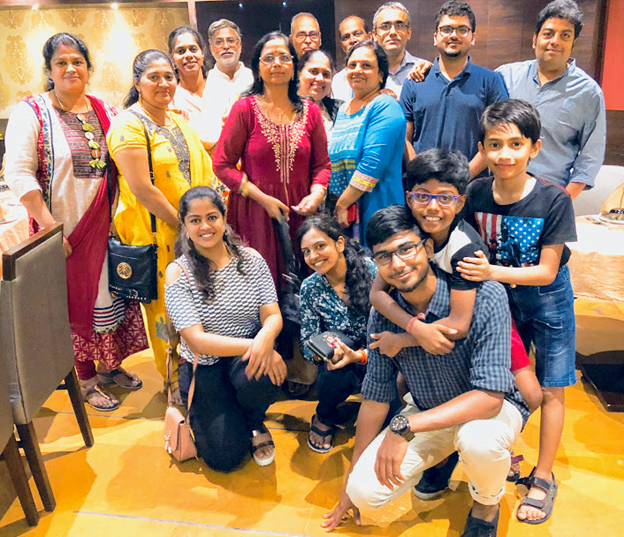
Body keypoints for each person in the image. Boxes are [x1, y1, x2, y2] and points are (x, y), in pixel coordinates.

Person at [322, 205, 530, 537]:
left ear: (428, 247)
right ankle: (443, 458)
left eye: (406, 248)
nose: (397, 264)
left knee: (478, 443)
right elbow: (375, 399)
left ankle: (486, 505)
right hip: (428, 408)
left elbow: (490, 398)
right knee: (364, 491)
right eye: (384, 256)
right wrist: (349, 482)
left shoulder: (484, 295)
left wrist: (403, 426)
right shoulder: (383, 314)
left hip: (489, 410)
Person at [370, 149, 543, 498]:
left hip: (483, 317)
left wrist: (404, 338)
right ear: (410, 197)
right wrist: (415, 328)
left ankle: (497, 455)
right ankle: (443, 454)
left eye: (445, 197)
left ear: (459, 201)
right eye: (423, 196)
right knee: (415, 385)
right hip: (430, 316)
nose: (432, 207)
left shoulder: (464, 249)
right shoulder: (408, 227)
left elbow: (460, 325)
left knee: (530, 394)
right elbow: (377, 294)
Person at [4, 33, 149, 412]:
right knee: (75, 304)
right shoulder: (32, 112)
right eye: (61, 63)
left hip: (107, 227)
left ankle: (108, 366)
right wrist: (50, 228)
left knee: (111, 295)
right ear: (50, 70)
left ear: (88, 67)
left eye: (77, 61)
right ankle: (84, 378)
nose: (70, 68)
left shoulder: (105, 110)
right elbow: (18, 173)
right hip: (62, 231)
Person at [458, 99, 577, 525]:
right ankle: (504, 450)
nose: (505, 154)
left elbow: (547, 271)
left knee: (552, 387)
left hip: (548, 300)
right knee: (501, 380)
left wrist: (491, 271)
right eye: (494, 144)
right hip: (499, 302)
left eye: (515, 144)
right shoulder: (475, 193)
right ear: (482, 149)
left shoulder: (553, 199)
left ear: (534, 147)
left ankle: (542, 475)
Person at [107, 49, 217, 405]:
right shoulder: (128, 124)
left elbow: (203, 168)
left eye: (169, 76)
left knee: (200, 304)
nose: (164, 83)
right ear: (137, 82)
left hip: (197, 233)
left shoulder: (177, 121)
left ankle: (203, 372)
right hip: (160, 237)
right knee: (167, 312)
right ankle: (173, 384)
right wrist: (186, 225)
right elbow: (142, 188)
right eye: (153, 77)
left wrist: (209, 216)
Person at [164, 186, 286, 471]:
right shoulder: (178, 272)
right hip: (203, 365)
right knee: (224, 459)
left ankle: (253, 420)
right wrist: (260, 345)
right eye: (195, 220)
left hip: (243, 360)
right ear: (184, 224)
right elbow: (197, 341)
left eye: (211, 217)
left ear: (224, 217)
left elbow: (273, 315)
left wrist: (266, 337)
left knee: (263, 377)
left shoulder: (251, 259)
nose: (205, 227)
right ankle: (230, 414)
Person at [212, 31, 331, 288]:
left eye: (283, 57)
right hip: (256, 212)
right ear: (258, 67)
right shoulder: (244, 109)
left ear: (294, 66)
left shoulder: (311, 111)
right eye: (269, 58)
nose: (276, 63)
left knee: (305, 286)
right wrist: (262, 199)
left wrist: (316, 195)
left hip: (302, 211)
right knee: (260, 287)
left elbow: (322, 165)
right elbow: (221, 164)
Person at [495, 0, 605, 198]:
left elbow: (590, 158)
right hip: (497, 194)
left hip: (548, 198)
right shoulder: (505, 76)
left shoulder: (588, 93)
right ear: (535, 39)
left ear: (573, 44)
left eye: (565, 36)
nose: (555, 41)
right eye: (548, 33)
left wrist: (561, 202)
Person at [400, 1, 508, 177]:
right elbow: (404, 138)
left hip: (473, 185)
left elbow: (498, 136)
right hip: (423, 187)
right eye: (446, 29)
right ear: (435, 37)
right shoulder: (415, 81)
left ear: (473, 37)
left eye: (462, 29)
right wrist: (419, 176)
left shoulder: (491, 81)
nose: (454, 35)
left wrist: (464, 178)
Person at [298, 215, 376, 453]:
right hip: (341, 359)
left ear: (339, 244)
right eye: (306, 252)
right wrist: (324, 354)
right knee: (332, 372)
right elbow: (307, 341)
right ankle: (324, 415)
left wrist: (360, 355)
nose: (314, 256)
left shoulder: (372, 271)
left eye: (320, 246)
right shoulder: (310, 287)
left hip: (380, 352)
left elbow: (392, 329)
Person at [329, 41, 406, 248]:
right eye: (352, 65)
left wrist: (342, 204)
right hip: (346, 215)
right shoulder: (343, 109)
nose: (357, 70)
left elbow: (372, 164)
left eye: (366, 65)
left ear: (381, 75)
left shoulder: (386, 106)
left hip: (377, 209)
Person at [194, 19, 254, 152]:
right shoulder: (204, 83)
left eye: (231, 41)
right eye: (219, 42)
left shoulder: (256, 80)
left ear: (240, 46)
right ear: (211, 48)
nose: (226, 46)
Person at [372, 2, 423, 97]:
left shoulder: (423, 70)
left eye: (399, 26)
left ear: (408, 33)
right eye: (385, 26)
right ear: (374, 35)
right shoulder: (363, 71)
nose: (393, 32)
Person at [168, 27, 210, 123]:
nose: (188, 55)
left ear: (202, 54)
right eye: (181, 51)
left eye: (193, 49)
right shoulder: (171, 100)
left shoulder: (222, 89)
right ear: (172, 58)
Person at [297, 49, 341, 138]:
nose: (320, 78)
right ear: (299, 74)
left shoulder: (339, 110)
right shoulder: (285, 108)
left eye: (326, 74)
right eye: (314, 72)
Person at [332, 16, 371, 102]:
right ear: (342, 45)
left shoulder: (383, 72)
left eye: (357, 34)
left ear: (369, 37)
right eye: (346, 37)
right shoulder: (337, 80)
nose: (352, 40)